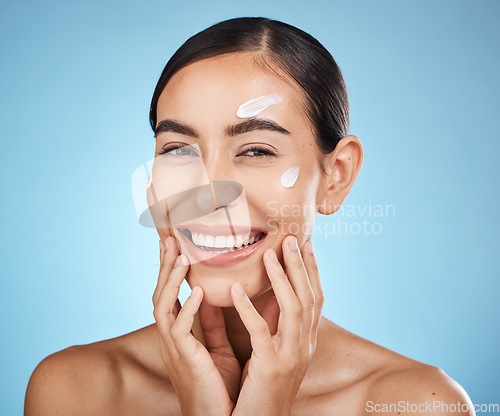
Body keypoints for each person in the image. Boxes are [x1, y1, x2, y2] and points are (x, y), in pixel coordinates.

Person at [25, 17, 474, 415]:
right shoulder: (74, 391)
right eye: (178, 149)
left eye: (256, 150)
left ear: (336, 176)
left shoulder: (419, 403)